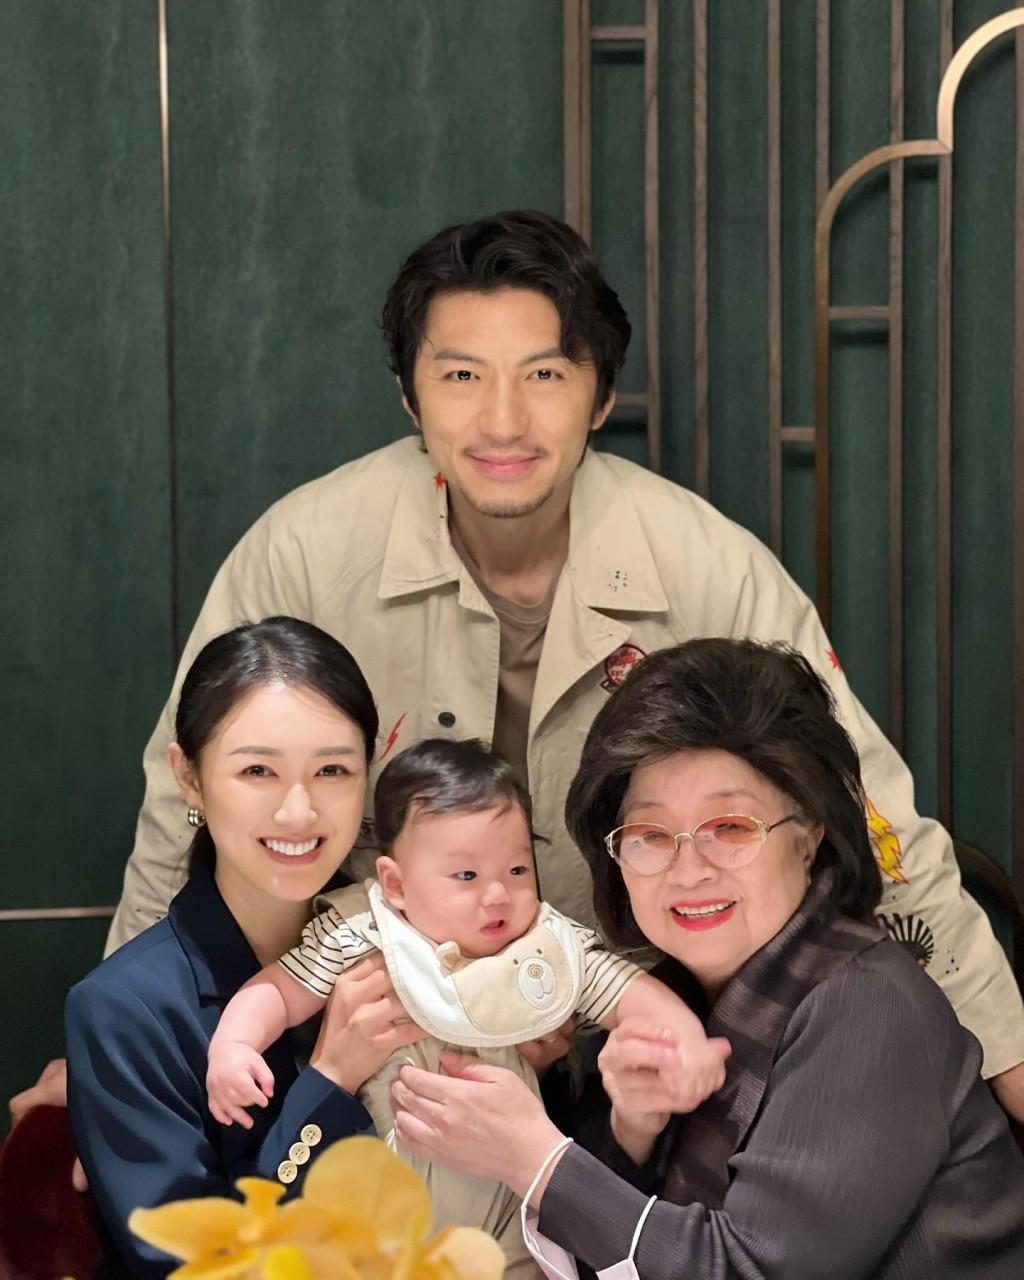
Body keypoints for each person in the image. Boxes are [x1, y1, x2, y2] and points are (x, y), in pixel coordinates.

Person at [27, 208, 1020, 1118]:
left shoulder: (708, 566)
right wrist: (116, 1064)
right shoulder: (303, 555)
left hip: (647, 1058)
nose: (502, 420)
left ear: (600, 395)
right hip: (372, 1061)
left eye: (544, 374)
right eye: (461, 376)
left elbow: (873, 823)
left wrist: (1009, 1062)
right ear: (409, 394)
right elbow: (183, 816)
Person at [389, 639, 1024, 1279]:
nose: (689, 869)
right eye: (650, 835)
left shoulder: (869, 1006)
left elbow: (753, 1269)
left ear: (809, 837)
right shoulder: (664, 997)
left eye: (731, 828)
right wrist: (634, 1127)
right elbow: (595, 1251)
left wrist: (533, 1158)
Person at [206, 738, 728, 1275]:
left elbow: (632, 995)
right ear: (396, 884)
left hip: (508, 1212)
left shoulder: (544, 949)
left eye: (517, 870)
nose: (498, 894)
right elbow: (279, 991)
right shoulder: (365, 936)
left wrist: (684, 1042)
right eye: (467, 876)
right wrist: (235, 1045)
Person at [64, 618, 429, 1277]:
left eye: (332, 770)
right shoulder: (123, 1011)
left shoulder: (421, 942)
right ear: (189, 777)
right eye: (258, 770)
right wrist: (330, 1079)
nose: (299, 812)